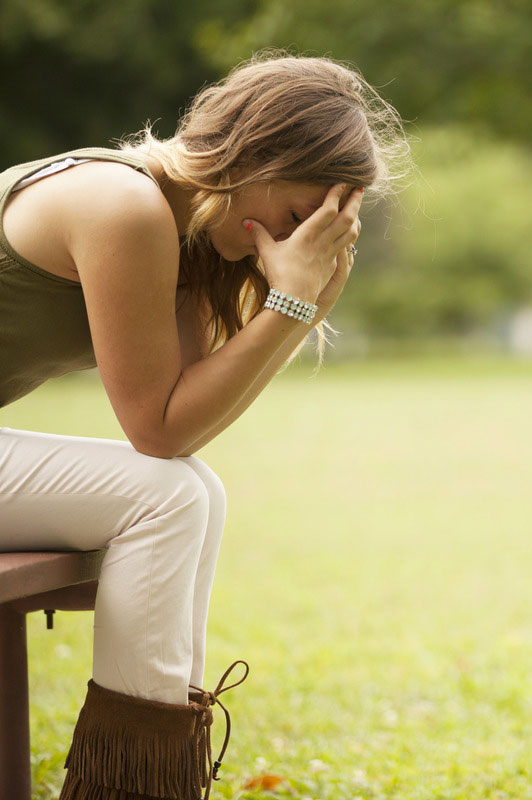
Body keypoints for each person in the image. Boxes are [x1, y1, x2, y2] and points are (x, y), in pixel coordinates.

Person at [0, 51, 408, 799]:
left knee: (194, 490)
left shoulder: (178, 232)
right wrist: (291, 304)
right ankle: (140, 790)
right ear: (259, 155)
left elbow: (180, 426)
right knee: (169, 495)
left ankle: (155, 780)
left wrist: (302, 306)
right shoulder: (121, 206)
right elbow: (155, 431)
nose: (283, 247)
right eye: (294, 220)